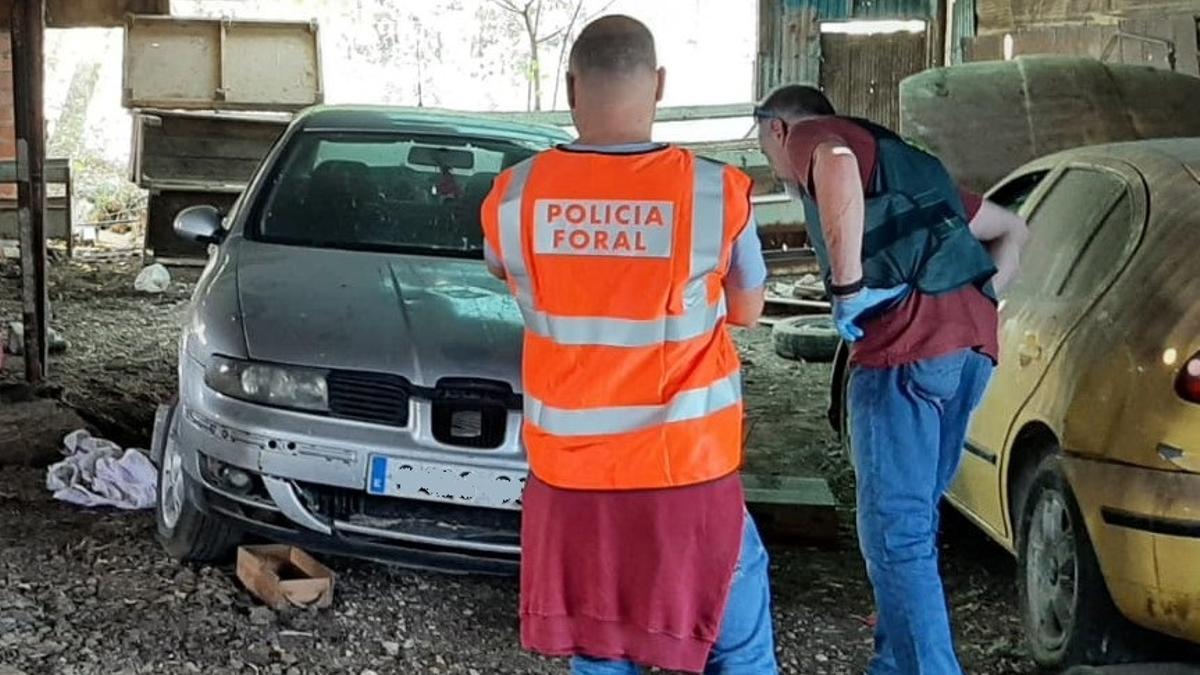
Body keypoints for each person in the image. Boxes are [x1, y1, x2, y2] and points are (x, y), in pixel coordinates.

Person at [481, 15, 777, 675]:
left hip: (572, 484)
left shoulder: (515, 196)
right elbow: (748, 311)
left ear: (570, 87)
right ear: (660, 84)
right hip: (686, 480)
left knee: (602, 654)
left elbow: (504, 270)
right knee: (738, 650)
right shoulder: (713, 191)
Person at [755, 85, 1027, 674]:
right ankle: (892, 664)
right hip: (971, 352)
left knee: (894, 535)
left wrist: (848, 288)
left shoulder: (811, 135)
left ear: (776, 127)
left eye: (763, 143)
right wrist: (973, 296)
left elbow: (833, 163)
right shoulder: (908, 166)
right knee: (913, 526)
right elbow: (1013, 230)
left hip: (904, 355)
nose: (773, 158)